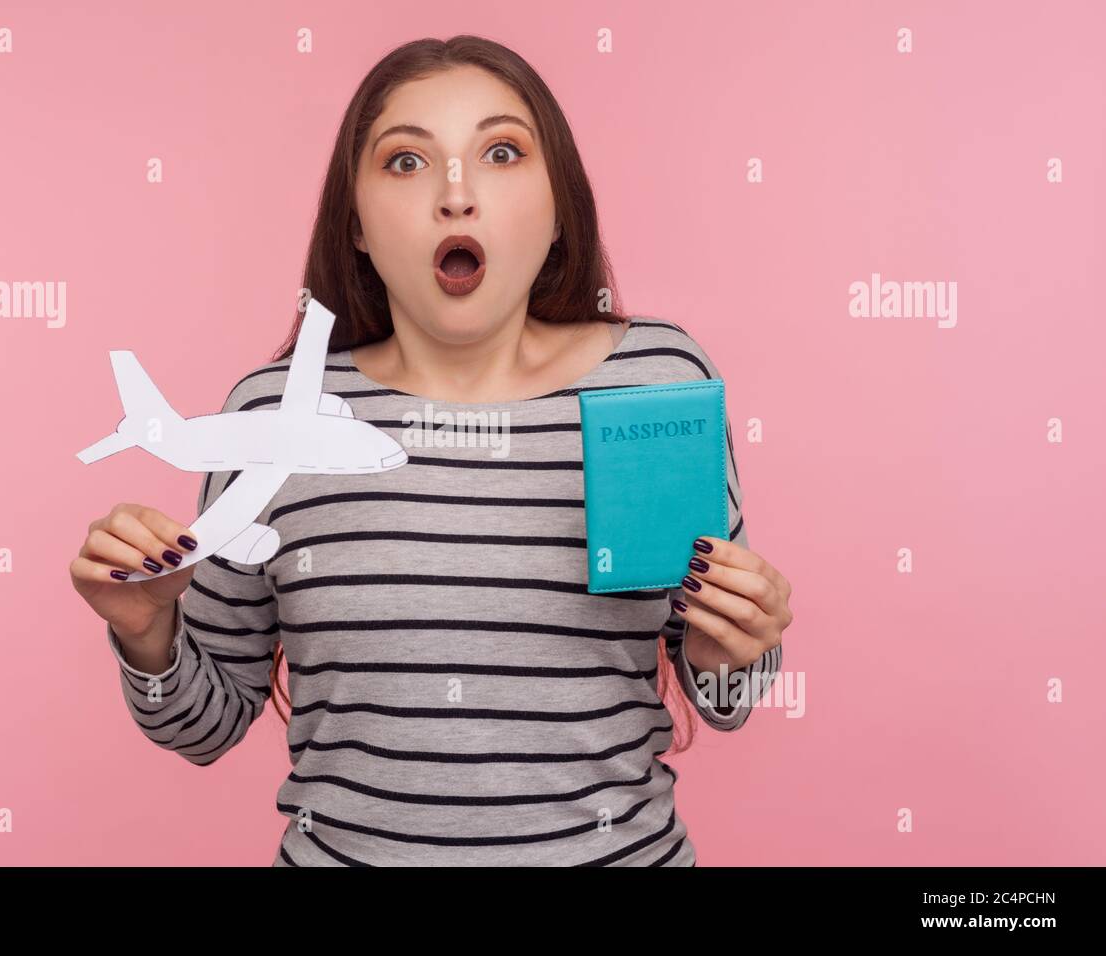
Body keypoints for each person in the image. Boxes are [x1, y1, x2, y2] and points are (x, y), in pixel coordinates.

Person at [70, 35, 793, 866]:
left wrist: (732, 648)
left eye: (500, 152)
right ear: (359, 226)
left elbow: (729, 697)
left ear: (559, 210)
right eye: (408, 163)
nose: (457, 195)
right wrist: (145, 631)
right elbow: (204, 726)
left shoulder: (655, 382)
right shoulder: (269, 415)